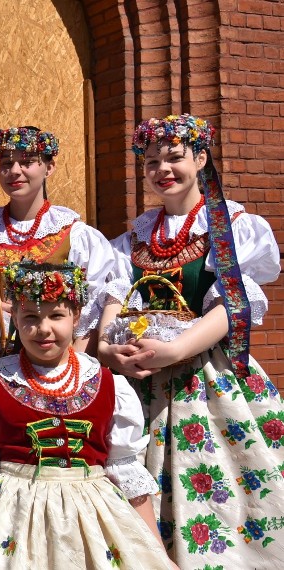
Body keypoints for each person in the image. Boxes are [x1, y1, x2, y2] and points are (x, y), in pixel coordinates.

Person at [98, 113, 284, 567]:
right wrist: (108, 351)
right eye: (152, 161)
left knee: (222, 487)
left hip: (207, 376)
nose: (163, 169)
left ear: (200, 159)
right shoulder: (133, 240)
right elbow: (111, 306)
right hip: (139, 380)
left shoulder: (230, 227)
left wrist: (177, 350)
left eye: (174, 157)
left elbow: (233, 305)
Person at [0, 260, 174, 570]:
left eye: (57, 315)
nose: (44, 328)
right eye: (31, 317)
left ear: (76, 317)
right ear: (16, 320)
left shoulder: (110, 386)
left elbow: (126, 470)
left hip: (93, 521)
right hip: (12, 521)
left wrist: (158, 553)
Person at [0, 126, 114, 354]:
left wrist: (74, 365)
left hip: (54, 364)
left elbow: (94, 308)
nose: (15, 171)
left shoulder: (75, 234)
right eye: (6, 163)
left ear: (50, 168)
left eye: (27, 162)